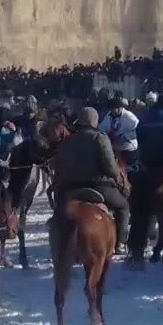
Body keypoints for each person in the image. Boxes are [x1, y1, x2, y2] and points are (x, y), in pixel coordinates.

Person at [52, 107, 131, 252]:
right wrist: (118, 179)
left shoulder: (67, 141)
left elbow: (58, 165)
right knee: (123, 207)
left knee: (59, 211)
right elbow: (111, 167)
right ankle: (119, 243)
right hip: (98, 186)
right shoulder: (99, 137)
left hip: (70, 188)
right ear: (95, 121)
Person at [99, 97, 139, 167]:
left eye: (113, 109)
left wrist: (123, 137)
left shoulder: (129, 116)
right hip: (114, 149)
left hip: (128, 149)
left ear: (120, 108)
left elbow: (138, 130)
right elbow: (102, 128)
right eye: (110, 109)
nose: (111, 111)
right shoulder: (109, 115)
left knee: (129, 170)